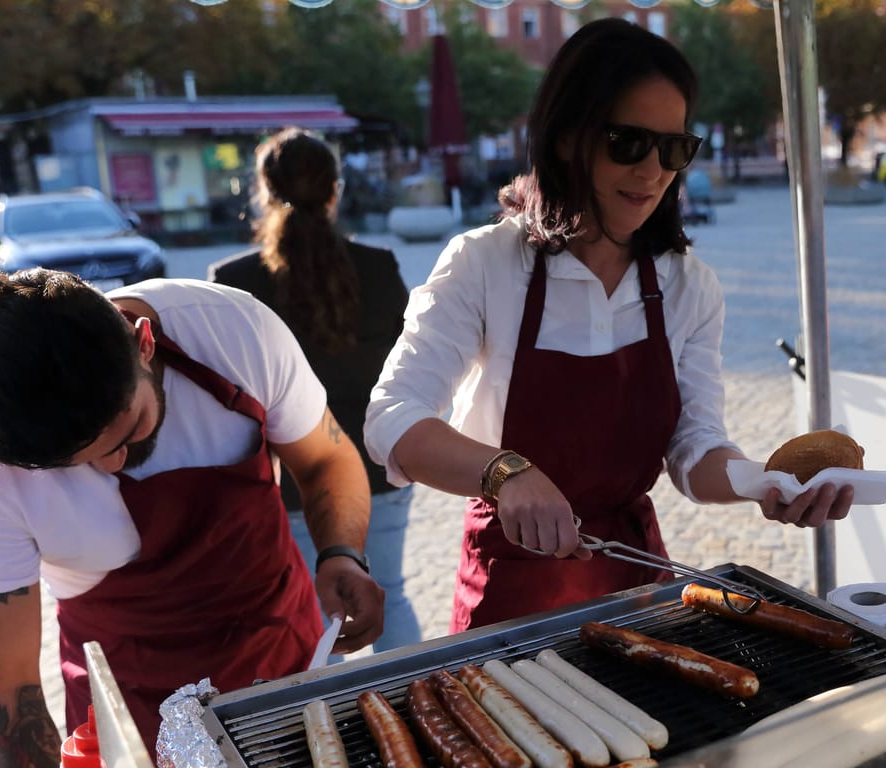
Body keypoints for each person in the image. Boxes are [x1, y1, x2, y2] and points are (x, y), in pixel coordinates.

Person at [363, 18, 854, 635]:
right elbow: (393, 416)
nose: (652, 172)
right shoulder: (484, 263)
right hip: (511, 595)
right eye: (628, 142)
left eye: (673, 149)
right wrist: (506, 471)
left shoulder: (687, 285)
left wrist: (764, 483)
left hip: (634, 589)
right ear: (568, 138)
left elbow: (694, 449)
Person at [0, 269, 384, 762]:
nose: (111, 465)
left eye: (129, 434)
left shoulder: (231, 331)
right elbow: (2, 696)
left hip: (284, 671)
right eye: (74, 465)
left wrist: (341, 554)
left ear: (143, 342)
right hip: (130, 725)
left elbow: (324, 459)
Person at [209, 128, 422, 653]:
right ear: (335, 191)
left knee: (304, 609)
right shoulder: (378, 267)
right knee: (388, 594)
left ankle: (314, 726)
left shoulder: (233, 280)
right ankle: (414, 709)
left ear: (263, 193)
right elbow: (403, 368)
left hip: (290, 477)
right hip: (376, 465)